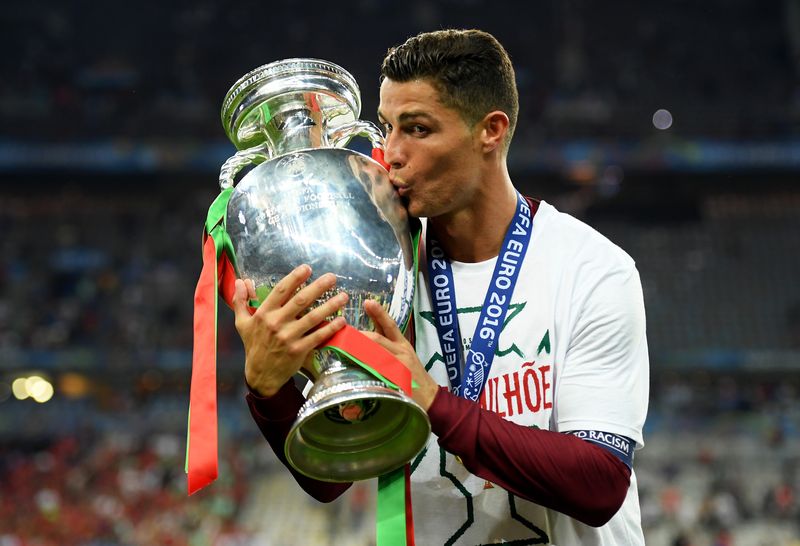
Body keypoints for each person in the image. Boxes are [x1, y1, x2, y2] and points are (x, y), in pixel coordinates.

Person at [232, 28, 649, 545]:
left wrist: (433, 402)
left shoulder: (590, 269)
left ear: (490, 131)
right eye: (386, 127)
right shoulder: (380, 268)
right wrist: (269, 390)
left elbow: (599, 483)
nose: (392, 153)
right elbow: (329, 477)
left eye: (418, 129)